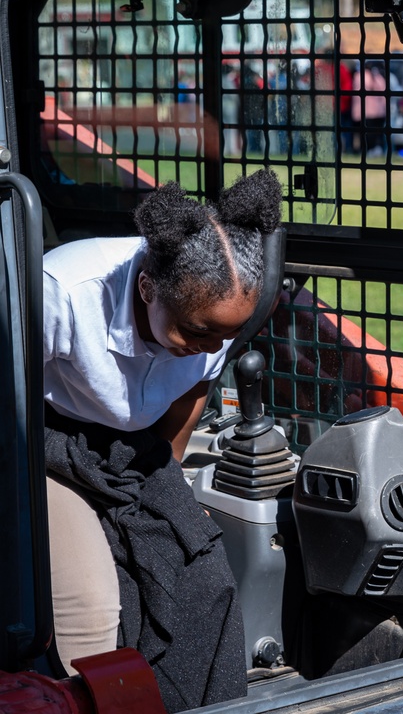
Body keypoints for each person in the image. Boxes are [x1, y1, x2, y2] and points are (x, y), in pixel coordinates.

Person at [43, 169, 283, 711]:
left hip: (132, 449)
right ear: (149, 288)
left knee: (201, 573)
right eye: (197, 332)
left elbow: (194, 389)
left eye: (226, 335)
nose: (212, 345)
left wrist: (162, 485)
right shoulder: (62, 292)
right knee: (92, 600)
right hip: (43, 443)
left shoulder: (213, 316)